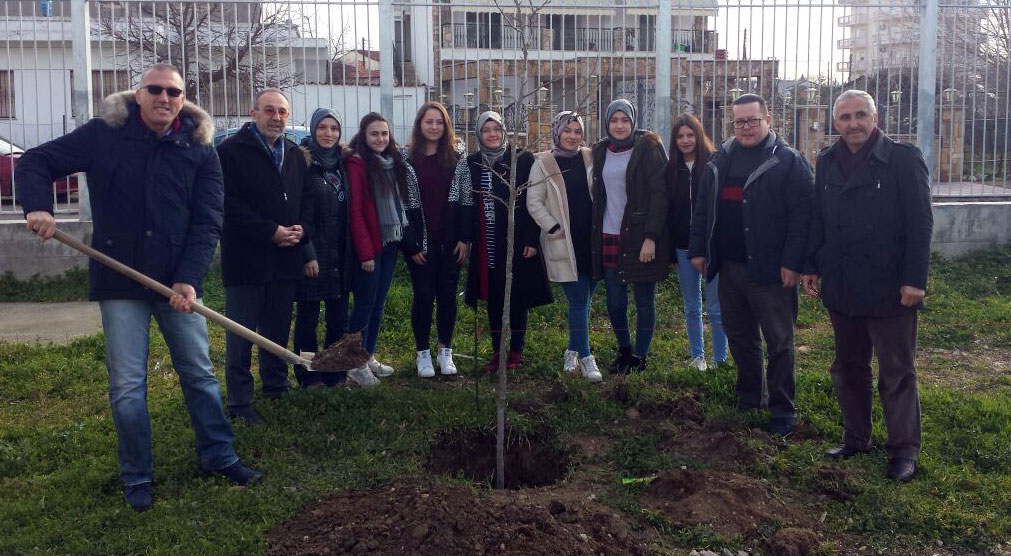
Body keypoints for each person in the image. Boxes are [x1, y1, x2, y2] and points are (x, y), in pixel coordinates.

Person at [16, 64, 262, 512]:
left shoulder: (200, 147)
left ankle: (219, 456)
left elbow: (208, 220)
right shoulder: (104, 134)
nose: (164, 98)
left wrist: (188, 277)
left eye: (174, 92)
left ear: (183, 99)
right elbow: (36, 161)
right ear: (138, 93)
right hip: (119, 280)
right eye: (156, 90)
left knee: (199, 373)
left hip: (177, 281)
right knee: (128, 384)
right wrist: (38, 206)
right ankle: (138, 476)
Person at [802, 90, 932, 482]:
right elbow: (819, 217)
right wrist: (812, 264)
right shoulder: (826, 161)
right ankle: (856, 437)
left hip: (890, 285)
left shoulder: (902, 159)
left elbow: (920, 223)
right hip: (843, 282)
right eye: (844, 117)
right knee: (848, 366)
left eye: (860, 115)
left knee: (896, 371)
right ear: (835, 122)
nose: (853, 123)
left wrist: (915, 280)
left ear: (875, 118)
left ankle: (903, 450)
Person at [688, 94, 813, 436]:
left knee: (780, 341)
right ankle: (749, 396)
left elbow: (803, 217)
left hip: (772, 271)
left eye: (752, 120)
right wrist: (699, 249)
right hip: (729, 268)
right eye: (739, 121)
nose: (745, 127)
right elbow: (702, 209)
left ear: (768, 119)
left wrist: (793, 262)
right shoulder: (720, 159)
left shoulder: (787, 161)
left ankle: (782, 409)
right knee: (741, 337)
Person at [217, 88, 309, 425]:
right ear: (254, 113)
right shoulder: (231, 151)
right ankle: (240, 404)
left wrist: (303, 231)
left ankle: (275, 386)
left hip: (286, 259)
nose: (277, 118)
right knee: (241, 334)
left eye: (283, 112)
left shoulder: (296, 155)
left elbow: (305, 202)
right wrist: (269, 230)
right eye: (269, 111)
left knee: (276, 328)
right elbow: (226, 205)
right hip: (247, 259)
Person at [458, 111, 552, 371]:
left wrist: (532, 239)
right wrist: (466, 238)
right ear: (479, 134)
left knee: (518, 297)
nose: (492, 134)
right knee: (494, 298)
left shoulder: (521, 160)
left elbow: (534, 201)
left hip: (518, 241)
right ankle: (498, 351)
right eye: (486, 129)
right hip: (487, 243)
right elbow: (467, 203)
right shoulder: (472, 163)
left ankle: (516, 351)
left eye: (497, 129)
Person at [345, 112, 427, 386]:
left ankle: (367, 357)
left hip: (391, 242)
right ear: (364, 136)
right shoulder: (358, 163)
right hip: (371, 245)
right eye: (374, 134)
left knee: (378, 305)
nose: (380, 139)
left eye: (384, 133)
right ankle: (354, 364)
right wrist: (366, 253)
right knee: (365, 305)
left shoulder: (393, 163)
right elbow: (356, 211)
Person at [590, 99, 669, 374]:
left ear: (632, 121)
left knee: (644, 300)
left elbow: (660, 195)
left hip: (639, 238)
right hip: (609, 236)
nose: (620, 125)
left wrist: (651, 237)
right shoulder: (600, 150)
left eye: (625, 120)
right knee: (615, 302)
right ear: (607, 123)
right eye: (614, 120)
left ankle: (640, 357)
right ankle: (624, 349)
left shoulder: (648, 148)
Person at [527, 111, 602, 382]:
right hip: (564, 243)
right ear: (557, 132)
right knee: (580, 301)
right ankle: (585, 356)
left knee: (584, 302)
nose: (573, 136)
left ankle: (571, 350)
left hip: (591, 243)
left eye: (577, 131)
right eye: (567, 130)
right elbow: (533, 201)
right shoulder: (544, 163)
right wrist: (552, 227)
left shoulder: (590, 157)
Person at [405, 102, 466, 378]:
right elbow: (401, 205)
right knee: (423, 296)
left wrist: (464, 238)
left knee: (448, 297)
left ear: (446, 126)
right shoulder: (406, 160)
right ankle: (422, 353)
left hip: (450, 242)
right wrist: (412, 243)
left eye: (439, 122)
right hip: (421, 244)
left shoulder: (457, 158)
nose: (434, 127)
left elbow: (466, 199)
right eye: (428, 122)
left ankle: (445, 350)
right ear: (420, 125)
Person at [293, 108, 351, 388]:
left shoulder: (344, 163)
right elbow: (298, 213)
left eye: (334, 128)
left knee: (338, 318)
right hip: (314, 255)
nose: (329, 134)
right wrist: (307, 253)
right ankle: (308, 373)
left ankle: (334, 372)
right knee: (308, 318)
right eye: (323, 128)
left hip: (341, 254)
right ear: (313, 130)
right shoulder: (302, 163)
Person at [667, 113, 728, 372]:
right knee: (691, 306)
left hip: (712, 247)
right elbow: (667, 213)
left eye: (690, 135)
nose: (685, 140)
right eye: (680, 136)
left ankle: (720, 360)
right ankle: (697, 357)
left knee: (716, 308)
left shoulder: (714, 165)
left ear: (698, 135)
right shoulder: (670, 169)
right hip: (682, 247)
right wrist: (670, 251)